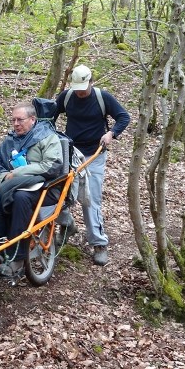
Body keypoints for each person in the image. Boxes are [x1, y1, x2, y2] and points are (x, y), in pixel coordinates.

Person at [54, 64, 130, 266]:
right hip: (70, 153)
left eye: (83, 88)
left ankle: (99, 243)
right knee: (58, 193)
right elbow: (51, 115)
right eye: (77, 88)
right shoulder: (66, 97)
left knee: (90, 200)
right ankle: (66, 224)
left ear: (91, 82)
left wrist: (111, 133)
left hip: (94, 154)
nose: (79, 92)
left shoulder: (102, 97)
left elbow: (123, 117)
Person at [0, 102, 64, 277]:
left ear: (32, 119)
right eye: (13, 120)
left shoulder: (47, 137)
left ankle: (17, 258)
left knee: (21, 198)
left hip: (45, 188)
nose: (16, 124)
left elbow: (52, 166)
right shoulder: (10, 140)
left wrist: (18, 173)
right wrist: (5, 178)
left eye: (20, 120)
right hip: (11, 187)